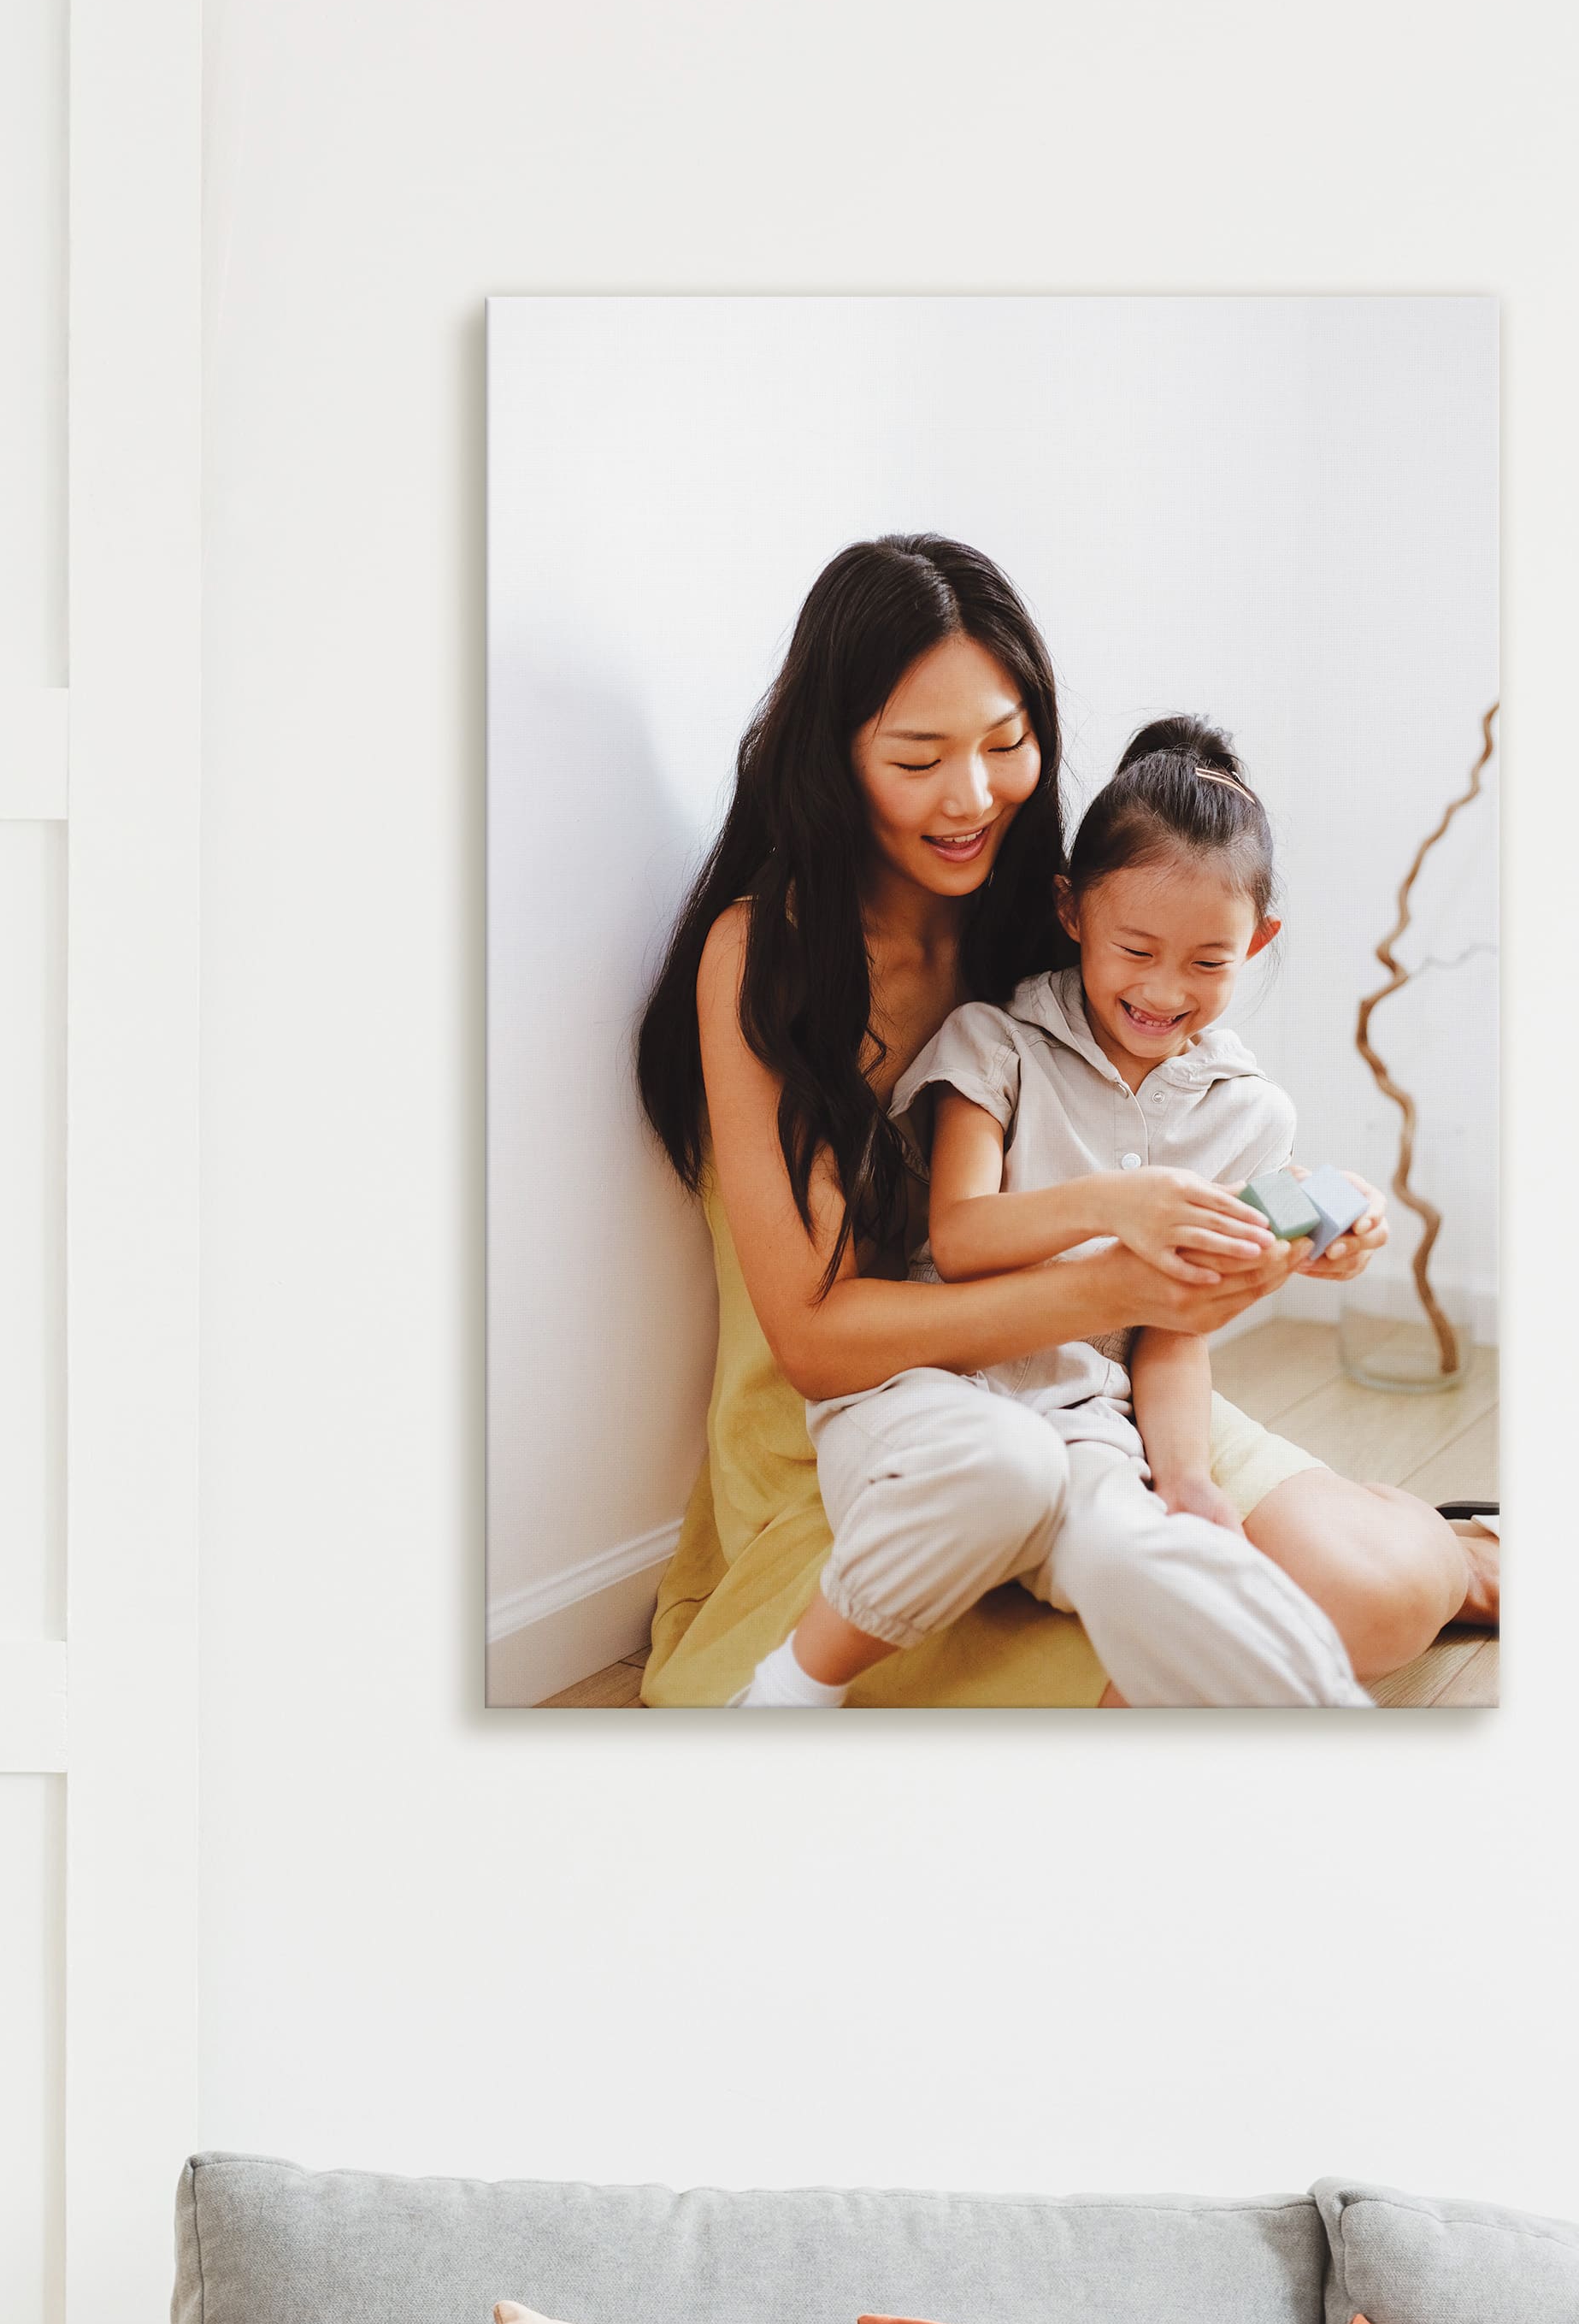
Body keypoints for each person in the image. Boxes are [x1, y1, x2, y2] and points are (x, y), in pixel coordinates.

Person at [631, 537, 1498, 1710]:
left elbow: (1158, 1140)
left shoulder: (1051, 931)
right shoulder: (768, 957)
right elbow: (819, 1338)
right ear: (833, 758)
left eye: (1004, 743)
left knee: (1382, 1596)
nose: (971, 795)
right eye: (915, 756)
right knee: (1134, 1660)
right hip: (884, 1419)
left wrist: (1294, 1215)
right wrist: (1122, 1276)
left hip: (1091, 1382)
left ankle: (1451, 1548)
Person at [746, 713, 1380, 1708]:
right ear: (1072, 911)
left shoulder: (1251, 1115)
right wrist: (1119, 1205)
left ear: (1258, 944)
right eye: (1136, 948)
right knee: (1007, 1466)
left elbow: (1172, 1332)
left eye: (1209, 964)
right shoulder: (996, 1045)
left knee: (1161, 1557)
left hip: (1093, 1425)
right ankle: (784, 1694)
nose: (1166, 990)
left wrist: (1186, 1482)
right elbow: (957, 1240)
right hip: (926, 1390)